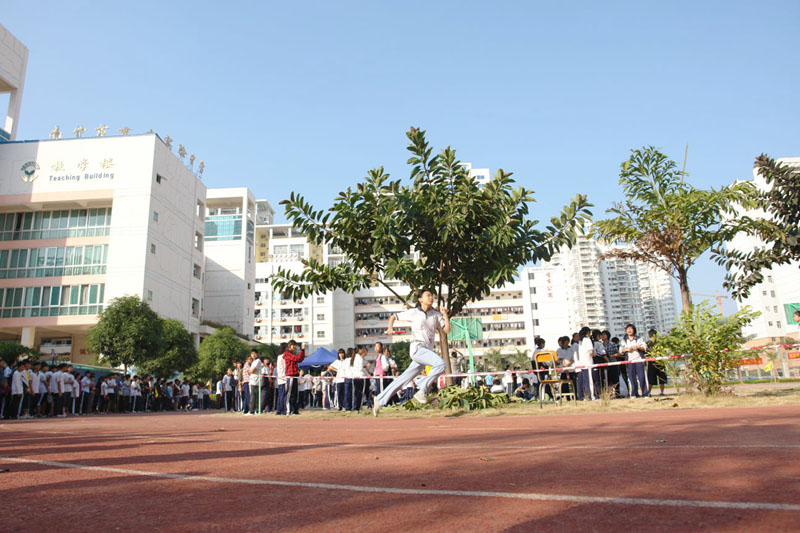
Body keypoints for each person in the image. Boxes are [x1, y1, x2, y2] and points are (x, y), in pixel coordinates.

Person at [373, 289, 450, 417]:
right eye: (428, 295)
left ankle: (380, 400)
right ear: (420, 299)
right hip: (417, 348)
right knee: (441, 364)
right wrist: (390, 328)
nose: (431, 297)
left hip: (426, 352)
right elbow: (393, 316)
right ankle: (422, 389)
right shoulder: (414, 312)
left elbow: (446, 330)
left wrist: (445, 315)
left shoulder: (435, 315)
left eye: (432, 295)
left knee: (404, 378)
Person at [620, 324, 649, 398]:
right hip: (629, 361)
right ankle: (634, 393)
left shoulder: (638, 338)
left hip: (639, 360)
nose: (629, 330)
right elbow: (621, 350)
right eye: (627, 329)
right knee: (632, 378)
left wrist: (638, 347)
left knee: (641, 377)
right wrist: (627, 349)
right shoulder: (624, 340)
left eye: (631, 329)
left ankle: (645, 393)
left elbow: (645, 347)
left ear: (634, 330)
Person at [282, 340, 306, 415]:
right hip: (290, 375)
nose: (295, 347)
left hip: (295, 375)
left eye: (296, 346)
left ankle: (294, 410)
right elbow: (297, 359)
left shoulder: (292, 354)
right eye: (294, 346)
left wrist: (302, 351)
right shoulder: (287, 354)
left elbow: (300, 359)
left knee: (295, 394)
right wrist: (302, 350)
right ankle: (287, 410)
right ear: (289, 345)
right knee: (289, 394)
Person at [646, 328, 668, 396]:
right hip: (653, 363)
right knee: (655, 379)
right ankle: (653, 392)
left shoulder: (649, 343)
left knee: (658, 379)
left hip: (657, 362)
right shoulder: (648, 344)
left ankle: (650, 393)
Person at [576, 327, 594, 401]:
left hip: (582, 363)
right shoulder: (587, 340)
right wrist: (594, 354)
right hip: (588, 363)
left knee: (585, 381)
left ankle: (586, 396)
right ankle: (591, 396)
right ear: (587, 333)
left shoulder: (580, 342)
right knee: (589, 380)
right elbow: (591, 352)